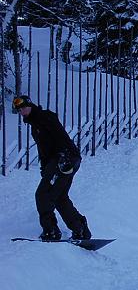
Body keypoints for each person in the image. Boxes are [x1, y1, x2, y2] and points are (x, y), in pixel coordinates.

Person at [12, 95, 92, 241]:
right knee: (59, 197)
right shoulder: (36, 124)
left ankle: (51, 231)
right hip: (64, 160)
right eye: (19, 110)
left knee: (42, 194)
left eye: (23, 108)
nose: (22, 112)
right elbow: (44, 150)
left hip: (64, 159)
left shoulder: (45, 117)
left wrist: (64, 156)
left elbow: (60, 136)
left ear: (30, 105)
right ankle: (80, 229)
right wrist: (45, 168)